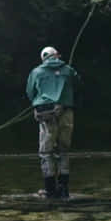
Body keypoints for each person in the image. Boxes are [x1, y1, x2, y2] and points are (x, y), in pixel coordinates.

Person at [26, 46, 78, 199]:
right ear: (56, 55)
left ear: (43, 58)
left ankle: (50, 190)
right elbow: (78, 83)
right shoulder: (68, 69)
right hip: (66, 112)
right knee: (63, 150)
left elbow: (30, 92)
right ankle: (64, 189)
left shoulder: (36, 72)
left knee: (46, 152)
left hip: (45, 113)